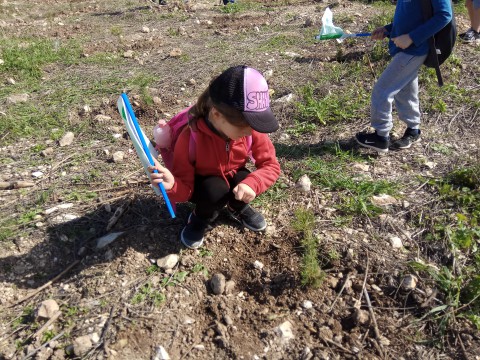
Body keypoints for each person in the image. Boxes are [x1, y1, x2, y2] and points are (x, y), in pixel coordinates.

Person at [149, 65, 281, 249]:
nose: (251, 131)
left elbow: (271, 165)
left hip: (233, 175)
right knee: (215, 190)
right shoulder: (190, 136)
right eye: (244, 128)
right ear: (217, 115)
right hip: (203, 185)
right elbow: (184, 186)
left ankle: (238, 206)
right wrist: (172, 186)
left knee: (243, 178)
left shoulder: (250, 129)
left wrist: (253, 183)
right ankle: (200, 217)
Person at [355, 0, 453, 153]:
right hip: (407, 49)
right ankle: (413, 130)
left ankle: (381, 137)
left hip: (415, 49)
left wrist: (412, 37)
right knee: (405, 89)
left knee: (382, 90)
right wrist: (388, 29)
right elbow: (410, 16)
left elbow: (444, 15)